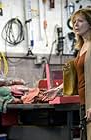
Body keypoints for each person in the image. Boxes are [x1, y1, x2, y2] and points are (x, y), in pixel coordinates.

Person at [46, 8, 91, 140]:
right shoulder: (83, 46)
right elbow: (78, 76)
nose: (76, 24)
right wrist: (58, 89)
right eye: (74, 22)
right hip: (84, 103)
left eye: (80, 21)